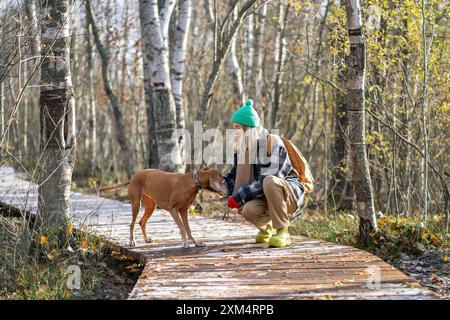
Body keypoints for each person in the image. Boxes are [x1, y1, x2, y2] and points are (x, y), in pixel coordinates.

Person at [223, 99, 305, 248]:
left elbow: (268, 179)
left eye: (237, 128)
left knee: (269, 181)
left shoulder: (272, 143)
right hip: (265, 196)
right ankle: (267, 230)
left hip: (288, 194)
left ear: (248, 128)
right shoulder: (243, 151)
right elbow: (233, 179)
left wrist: (239, 195)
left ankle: (282, 231)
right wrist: (214, 183)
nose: (234, 132)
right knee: (248, 210)